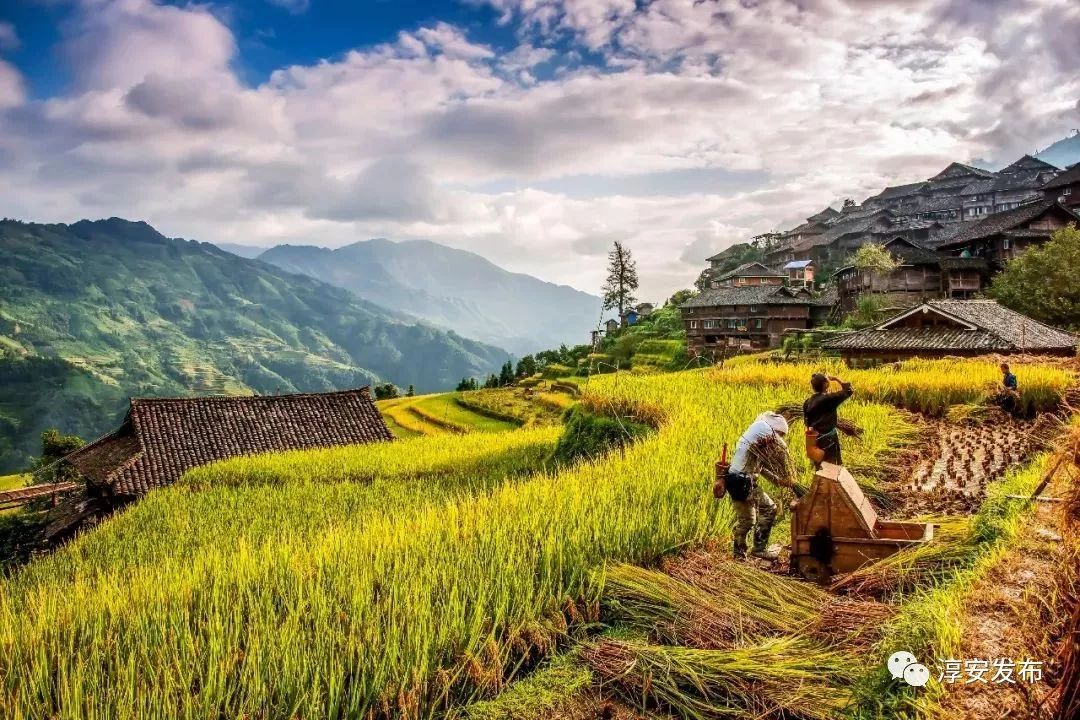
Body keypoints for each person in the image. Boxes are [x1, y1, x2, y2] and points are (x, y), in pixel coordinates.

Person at [725, 411, 793, 561]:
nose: (780, 438)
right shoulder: (761, 426)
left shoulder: (758, 444)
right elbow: (782, 447)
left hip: (738, 481)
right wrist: (789, 466)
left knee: (748, 520)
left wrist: (781, 481)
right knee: (769, 509)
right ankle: (758, 549)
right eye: (780, 434)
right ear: (775, 429)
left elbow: (762, 469)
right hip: (741, 481)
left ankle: (739, 554)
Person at [803, 372, 854, 466]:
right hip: (829, 439)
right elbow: (849, 390)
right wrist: (837, 379)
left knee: (820, 467)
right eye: (827, 380)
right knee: (832, 466)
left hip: (815, 440)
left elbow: (807, 423)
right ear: (825, 384)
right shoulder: (829, 399)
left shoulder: (808, 401)